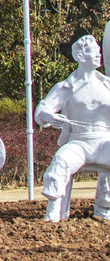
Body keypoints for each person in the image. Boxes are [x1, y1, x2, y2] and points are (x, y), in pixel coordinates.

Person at [35, 34, 110, 221]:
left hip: (104, 142)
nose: (98, 56)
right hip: (79, 143)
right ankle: (53, 215)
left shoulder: (107, 86)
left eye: (100, 52)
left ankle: (103, 210)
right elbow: (41, 112)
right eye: (94, 52)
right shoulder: (67, 87)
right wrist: (51, 117)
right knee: (60, 160)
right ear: (81, 56)